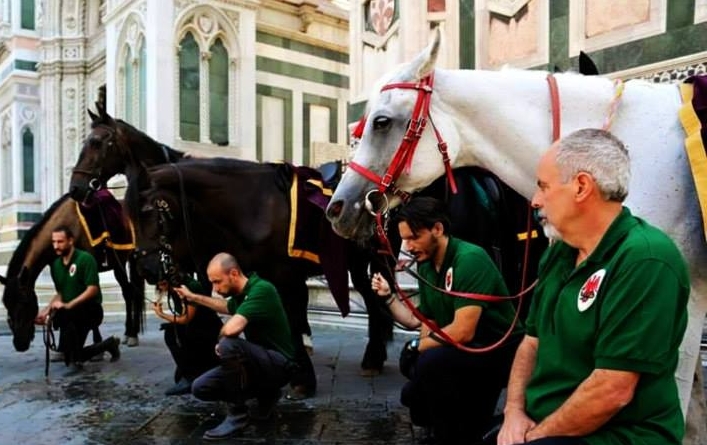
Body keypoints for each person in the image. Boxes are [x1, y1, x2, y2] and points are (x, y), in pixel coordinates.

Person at [497, 129, 689, 445]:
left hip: (619, 434)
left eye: (544, 186)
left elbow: (611, 389)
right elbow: (531, 342)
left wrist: (535, 436)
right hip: (548, 424)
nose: (535, 200)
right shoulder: (560, 251)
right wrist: (514, 413)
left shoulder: (646, 260)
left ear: (582, 187)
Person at [371, 197, 523, 444]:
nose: (407, 247)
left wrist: (417, 349)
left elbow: (463, 331)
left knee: (431, 363)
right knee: (417, 384)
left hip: (498, 349)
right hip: (464, 351)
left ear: (438, 229)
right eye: (405, 239)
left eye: (413, 237)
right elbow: (422, 322)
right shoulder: (426, 265)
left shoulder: (469, 258)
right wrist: (389, 298)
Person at [176, 252, 296, 441]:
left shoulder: (262, 289)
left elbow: (231, 329)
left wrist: (220, 341)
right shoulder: (243, 294)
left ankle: (237, 415)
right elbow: (224, 306)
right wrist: (193, 297)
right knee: (200, 387)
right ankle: (268, 393)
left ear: (233, 274)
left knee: (229, 346)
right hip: (260, 364)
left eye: (217, 282)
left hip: (281, 365)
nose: (215, 288)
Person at [35, 225, 120, 367]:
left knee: (74, 357)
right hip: (70, 313)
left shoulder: (85, 259)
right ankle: (106, 344)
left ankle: (107, 344)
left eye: (60, 242)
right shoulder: (56, 265)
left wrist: (68, 305)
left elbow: (92, 289)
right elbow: (61, 293)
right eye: (53, 242)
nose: (56, 246)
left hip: (90, 310)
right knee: (72, 358)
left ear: (71, 241)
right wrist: (45, 311)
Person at [151, 274, 223, 396]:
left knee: (171, 334)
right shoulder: (175, 288)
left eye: (162, 284)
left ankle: (191, 376)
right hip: (195, 328)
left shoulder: (189, 287)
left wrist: (161, 314)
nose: (161, 287)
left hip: (207, 330)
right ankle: (190, 372)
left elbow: (185, 319)